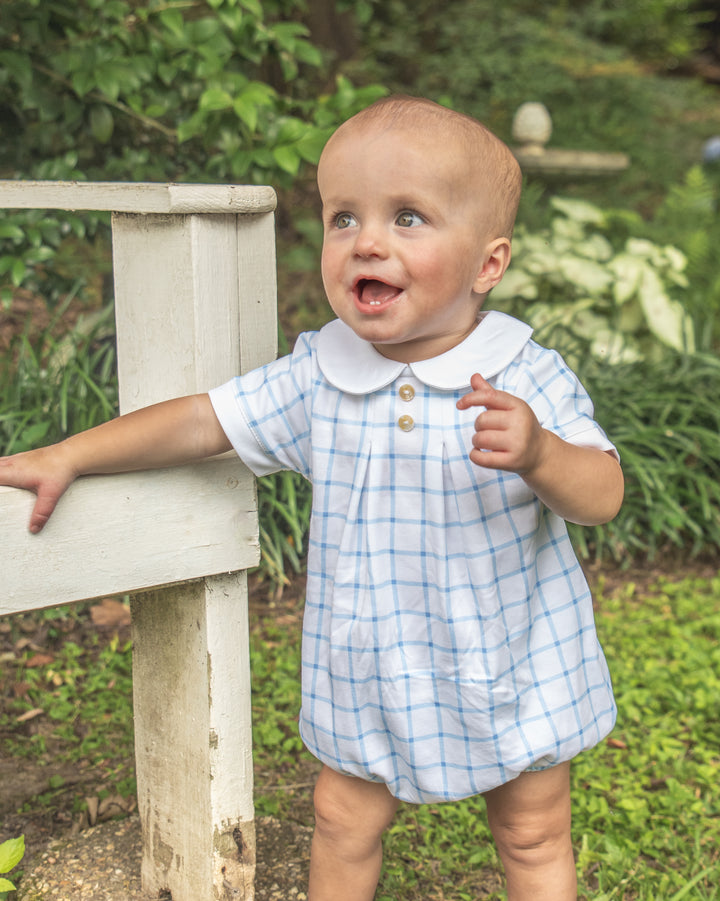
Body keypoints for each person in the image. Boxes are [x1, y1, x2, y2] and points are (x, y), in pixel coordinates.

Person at [0, 96, 624, 900]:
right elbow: (201, 421)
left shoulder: (522, 373)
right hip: (368, 668)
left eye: (407, 217)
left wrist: (541, 452)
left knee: (533, 831)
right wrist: (70, 454)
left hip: (508, 660)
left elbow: (601, 493)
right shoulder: (322, 376)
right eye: (342, 218)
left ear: (488, 264)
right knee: (341, 820)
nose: (366, 240)